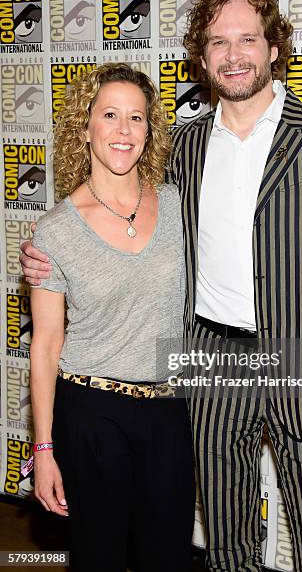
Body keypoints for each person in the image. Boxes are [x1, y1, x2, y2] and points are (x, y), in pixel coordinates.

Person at [22, 0, 302, 572]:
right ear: (202, 54)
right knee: (225, 548)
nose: (233, 54)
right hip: (211, 365)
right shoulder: (184, 149)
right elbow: (117, 218)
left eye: (248, 39)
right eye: (218, 41)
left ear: (273, 49)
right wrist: (46, 256)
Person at [28, 63, 195, 572]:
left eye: (137, 118)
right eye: (110, 115)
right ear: (86, 128)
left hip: (169, 413)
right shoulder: (55, 230)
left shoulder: (177, 204)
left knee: (166, 558)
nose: (124, 130)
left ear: (150, 130)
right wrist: (44, 449)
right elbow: (46, 345)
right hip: (92, 415)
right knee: (97, 558)